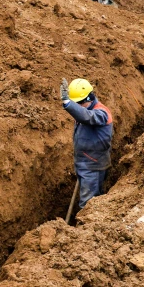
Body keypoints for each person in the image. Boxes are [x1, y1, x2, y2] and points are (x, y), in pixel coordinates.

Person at [60, 78, 114, 209]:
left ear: (88, 98)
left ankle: (87, 227)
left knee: (88, 204)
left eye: (78, 103)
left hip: (93, 166)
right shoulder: (85, 109)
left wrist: (68, 103)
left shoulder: (101, 113)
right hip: (85, 163)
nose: (77, 107)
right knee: (94, 198)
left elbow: (86, 116)